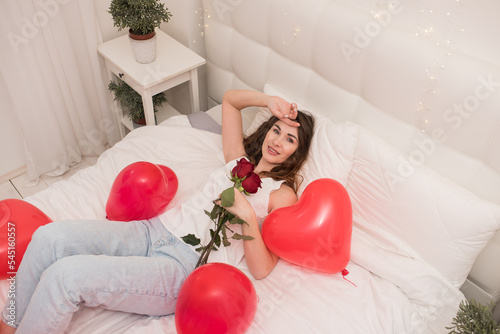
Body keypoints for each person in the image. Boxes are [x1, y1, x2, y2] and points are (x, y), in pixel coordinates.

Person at [0, 89, 315, 334]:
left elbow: (262, 268)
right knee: (48, 237)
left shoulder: (281, 193)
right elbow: (231, 101)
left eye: (290, 139)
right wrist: (269, 100)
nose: (278, 141)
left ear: (297, 151)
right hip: (152, 231)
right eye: (276, 130)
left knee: (65, 277)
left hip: (182, 268)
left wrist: (245, 214)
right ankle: (8, 325)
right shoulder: (237, 160)